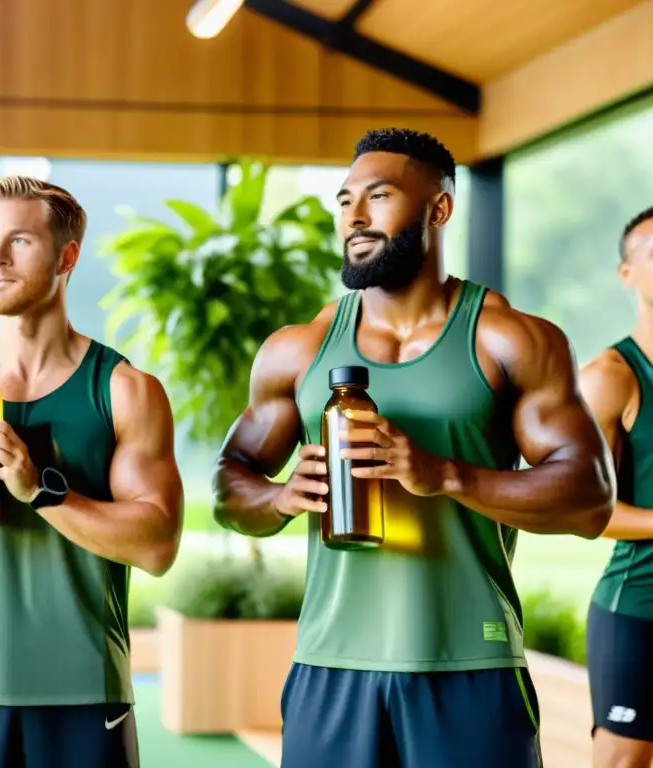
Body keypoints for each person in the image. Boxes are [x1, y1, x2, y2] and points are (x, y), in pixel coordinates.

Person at [212, 128, 615, 767]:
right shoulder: (299, 348)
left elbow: (590, 499)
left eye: (379, 196)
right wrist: (281, 496)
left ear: (440, 208)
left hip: (471, 663)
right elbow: (230, 483)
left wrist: (447, 475)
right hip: (330, 665)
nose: (356, 216)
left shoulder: (512, 340)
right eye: (345, 201)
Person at [0, 175, 184, 768]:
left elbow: (157, 546)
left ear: (66, 256)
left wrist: (41, 492)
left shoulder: (125, 392)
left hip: (85, 695)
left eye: (18, 241)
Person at [578, 207, 653, 768]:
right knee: (623, 760)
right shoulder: (611, 375)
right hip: (639, 609)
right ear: (627, 274)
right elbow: (590, 511)